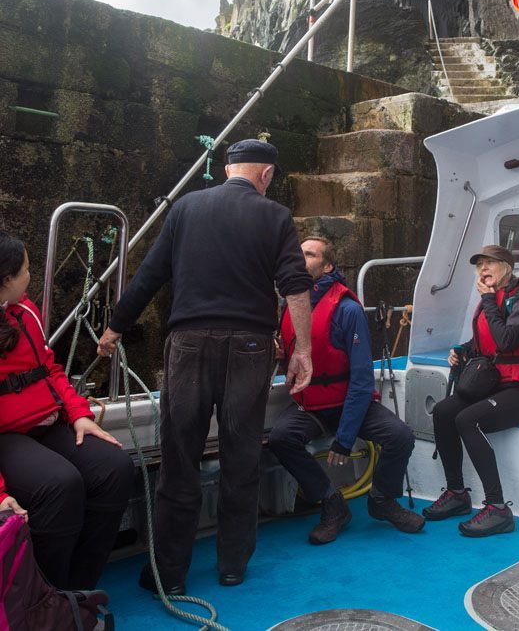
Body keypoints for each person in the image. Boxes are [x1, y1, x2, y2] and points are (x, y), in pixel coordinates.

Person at [97, 139, 313, 592]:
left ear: (227, 169)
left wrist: (115, 328)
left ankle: (169, 575)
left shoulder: (186, 208)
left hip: (189, 345)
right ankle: (232, 566)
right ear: (266, 175)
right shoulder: (274, 216)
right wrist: (302, 351)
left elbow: (149, 275)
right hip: (251, 349)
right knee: (242, 458)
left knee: (179, 458)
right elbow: (295, 285)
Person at [0, 230, 134, 589]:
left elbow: (51, 368)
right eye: (26, 270)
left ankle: (79, 590)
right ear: (6, 279)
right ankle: (45, 597)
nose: (31, 275)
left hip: (46, 421)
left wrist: (78, 414)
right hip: (6, 435)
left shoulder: (25, 310)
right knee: (60, 484)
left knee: (116, 468)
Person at [269, 237, 424, 545]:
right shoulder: (289, 304)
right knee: (280, 438)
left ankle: (381, 500)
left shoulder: (348, 309)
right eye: (298, 253)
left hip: (348, 403)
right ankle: (332, 504)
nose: (301, 259)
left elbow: (362, 380)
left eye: (309, 254)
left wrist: (345, 438)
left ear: (327, 266)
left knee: (400, 437)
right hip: (311, 404)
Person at [423, 244, 519, 537]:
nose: (483, 269)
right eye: (479, 264)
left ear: (506, 268)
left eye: (490, 263)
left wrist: (486, 300)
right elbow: (484, 343)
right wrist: (462, 350)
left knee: (467, 419)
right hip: (502, 384)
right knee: (445, 410)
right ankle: (457, 493)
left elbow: (506, 341)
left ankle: (497, 509)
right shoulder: (493, 299)